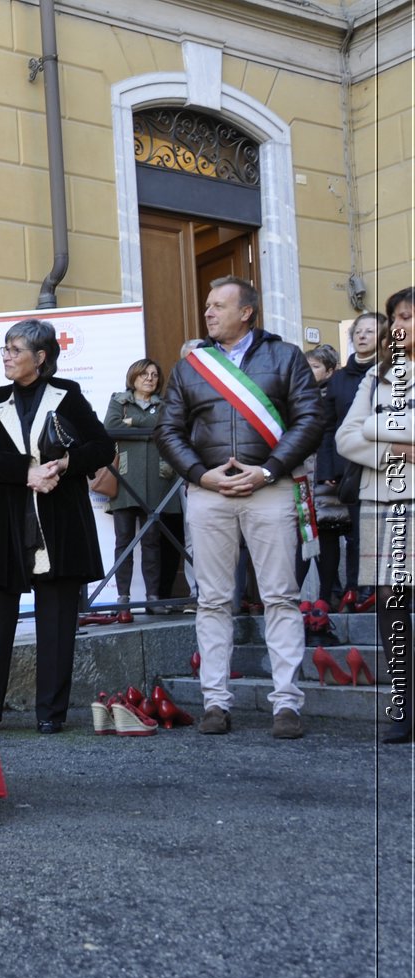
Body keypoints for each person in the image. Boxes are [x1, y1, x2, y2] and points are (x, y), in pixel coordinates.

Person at [155, 275, 325, 739]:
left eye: (217, 306)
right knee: (210, 600)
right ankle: (215, 702)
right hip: (210, 493)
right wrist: (199, 474)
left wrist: (268, 469)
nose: (207, 313)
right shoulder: (193, 365)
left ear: (246, 312)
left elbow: (312, 419)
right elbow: (168, 430)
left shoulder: (284, 355)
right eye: (207, 306)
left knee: (280, 596)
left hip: (269, 489)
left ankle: (286, 704)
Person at [0, 318, 113, 733]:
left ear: (41, 356)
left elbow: (101, 446)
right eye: (5, 350)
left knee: (56, 622)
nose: (8, 357)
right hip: (7, 523)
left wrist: (66, 464)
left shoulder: (67, 394)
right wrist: (27, 472)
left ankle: (51, 714)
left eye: (16, 350)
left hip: (58, 525)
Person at [335, 287, 415, 743]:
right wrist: (395, 451)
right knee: (390, 603)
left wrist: (376, 427)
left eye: (410, 315)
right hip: (382, 500)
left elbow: (366, 428)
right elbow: (348, 437)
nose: (401, 324)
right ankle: (405, 707)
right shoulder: (377, 377)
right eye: (397, 317)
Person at [320, 311, 388, 609]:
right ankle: (361, 592)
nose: (362, 336)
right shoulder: (338, 381)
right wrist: (329, 468)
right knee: (359, 531)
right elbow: (328, 427)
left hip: (391, 464)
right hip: (352, 465)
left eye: (370, 332)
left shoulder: (395, 373)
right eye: (358, 331)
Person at [103, 358, 179, 611]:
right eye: (144, 374)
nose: (150, 378)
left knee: (152, 542)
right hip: (125, 480)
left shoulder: (164, 405)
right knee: (123, 541)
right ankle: (122, 599)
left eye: (155, 375)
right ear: (133, 376)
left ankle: (153, 599)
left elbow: (168, 428)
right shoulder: (119, 401)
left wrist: (133, 424)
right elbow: (111, 428)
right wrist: (147, 427)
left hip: (158, 482)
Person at [297, 344, 346, 604]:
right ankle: (295, 597)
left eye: (314, 366)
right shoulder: (300, 395)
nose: (308, 371)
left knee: (327, 533)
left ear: (329, 370)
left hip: (326, 474)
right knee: (303, 535)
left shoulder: (335, 395)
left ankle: (327, 597)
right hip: (302, 474)